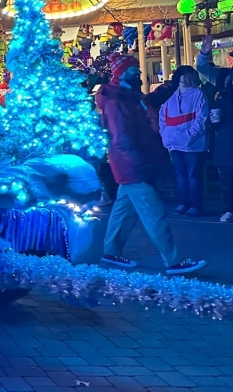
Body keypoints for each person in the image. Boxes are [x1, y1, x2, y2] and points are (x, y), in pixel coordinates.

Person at [96, 55, 205, 275]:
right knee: (155, 213)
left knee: (123, 211)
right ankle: (173, 261)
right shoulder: (118, 101)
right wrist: (141, 163)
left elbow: (149, 101)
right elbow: (121, 138)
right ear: (122, 72)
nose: (138, 72)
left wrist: (170, 86)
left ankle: (110, 251)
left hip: (130, 165)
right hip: (133, 166)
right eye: (134, 68)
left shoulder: (126, 95)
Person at [158, 65, 208, 216]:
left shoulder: (198, 94)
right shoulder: (170, 96)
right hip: (175, 144)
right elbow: (162, 117)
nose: (184, 78)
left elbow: (202, 119)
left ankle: (195, 205)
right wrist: (166, 135)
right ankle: (183, 203)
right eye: (182, 75)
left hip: (194, 145)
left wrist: (188, 134)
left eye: (187, 75)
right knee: (180, 176)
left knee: (193, 176)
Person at [197, 34, 233, 222]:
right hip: (226, 136)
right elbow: (202, 68)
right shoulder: (224, 76)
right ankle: (229, 208)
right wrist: (204, 52)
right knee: (227, 175)